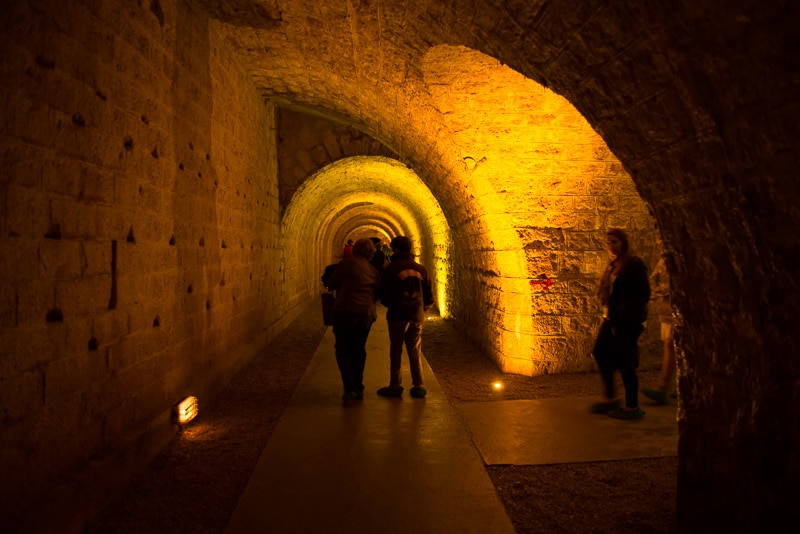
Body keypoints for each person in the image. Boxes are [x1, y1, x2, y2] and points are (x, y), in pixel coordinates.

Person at [591, 228, 650, 420]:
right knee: (600, 351)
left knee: (625, 361)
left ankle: (632, 408)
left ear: (623, 243)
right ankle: (610, 397)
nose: (610, 246)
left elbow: (643, 293)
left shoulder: (634, 263)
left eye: (614, 242)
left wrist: (624, 309)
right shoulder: (614, 264)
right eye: (608, 242)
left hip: (628, 320)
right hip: (613, 317)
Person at [376, 236, 434, 398]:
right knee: (415, 349)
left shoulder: (391, 269)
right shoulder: (420, 269)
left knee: (396, 349)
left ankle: (395, 384)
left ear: (396, 250)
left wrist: (390, 304)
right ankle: (419, 385)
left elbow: (384, 292)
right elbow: (429, 293)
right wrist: (423, 309)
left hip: (397, 314)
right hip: (416, 314)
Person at [326, 238, 380, 401]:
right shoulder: (373, 270)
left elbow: (331, 284)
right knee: (358, 348)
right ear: (370, 253)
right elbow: (377, 292)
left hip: (344, 311)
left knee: (343, 349)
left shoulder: (344, 265)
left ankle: (350, 387)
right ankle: (358, 385)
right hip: (365, 313)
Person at [642, 237, 677, 404]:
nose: (660, 246)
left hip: (676, 308)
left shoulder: (678, 259)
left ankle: (663, 387)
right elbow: (652, 278)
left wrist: (661, 291)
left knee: (671, 344)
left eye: (662, 242)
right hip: (667, 309)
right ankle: (671, 386)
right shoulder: (664, 261)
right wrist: (655, 291)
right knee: (670, 344)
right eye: (658, 243)